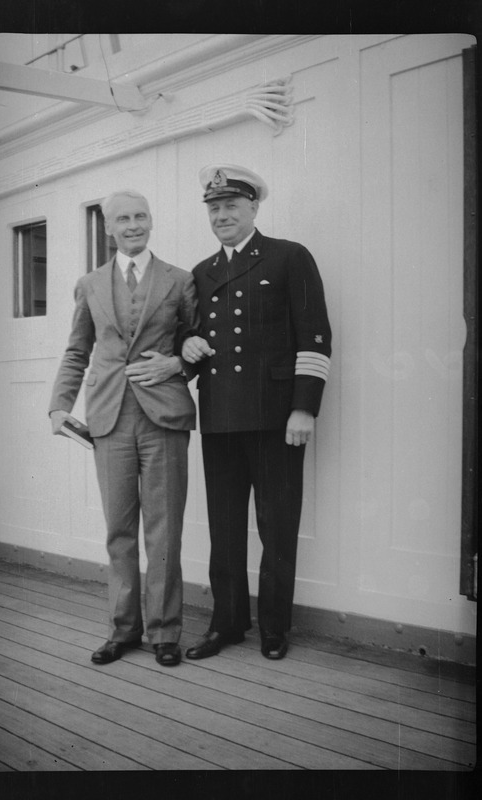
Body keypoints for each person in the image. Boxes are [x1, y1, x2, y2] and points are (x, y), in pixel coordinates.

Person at [181, 164, 331, 661]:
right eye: (215, 208)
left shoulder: (289, 257)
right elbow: (188, 334)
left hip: (274, 418)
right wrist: (189, 342)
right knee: (223, 528)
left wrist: (304, 408)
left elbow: (315, 336)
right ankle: (226, 625)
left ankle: (274, 627)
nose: (222, 215)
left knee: (277, 525)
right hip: (220, 416)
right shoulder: (202, 272)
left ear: (253, 208)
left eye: (232, 206)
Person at [49, 190, 198, 667]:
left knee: (165, 529)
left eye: (140, 216)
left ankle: (164, 633)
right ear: (108, 228)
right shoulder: (89, 284)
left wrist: (176, 365)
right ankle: (123, 630)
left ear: (151, 221)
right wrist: (59, 406)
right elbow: (77, 350)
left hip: (165, 419)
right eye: (122, 219)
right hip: (109, 419)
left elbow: (195, 346)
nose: (133, 225)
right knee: (119, 530)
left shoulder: (180, 280)